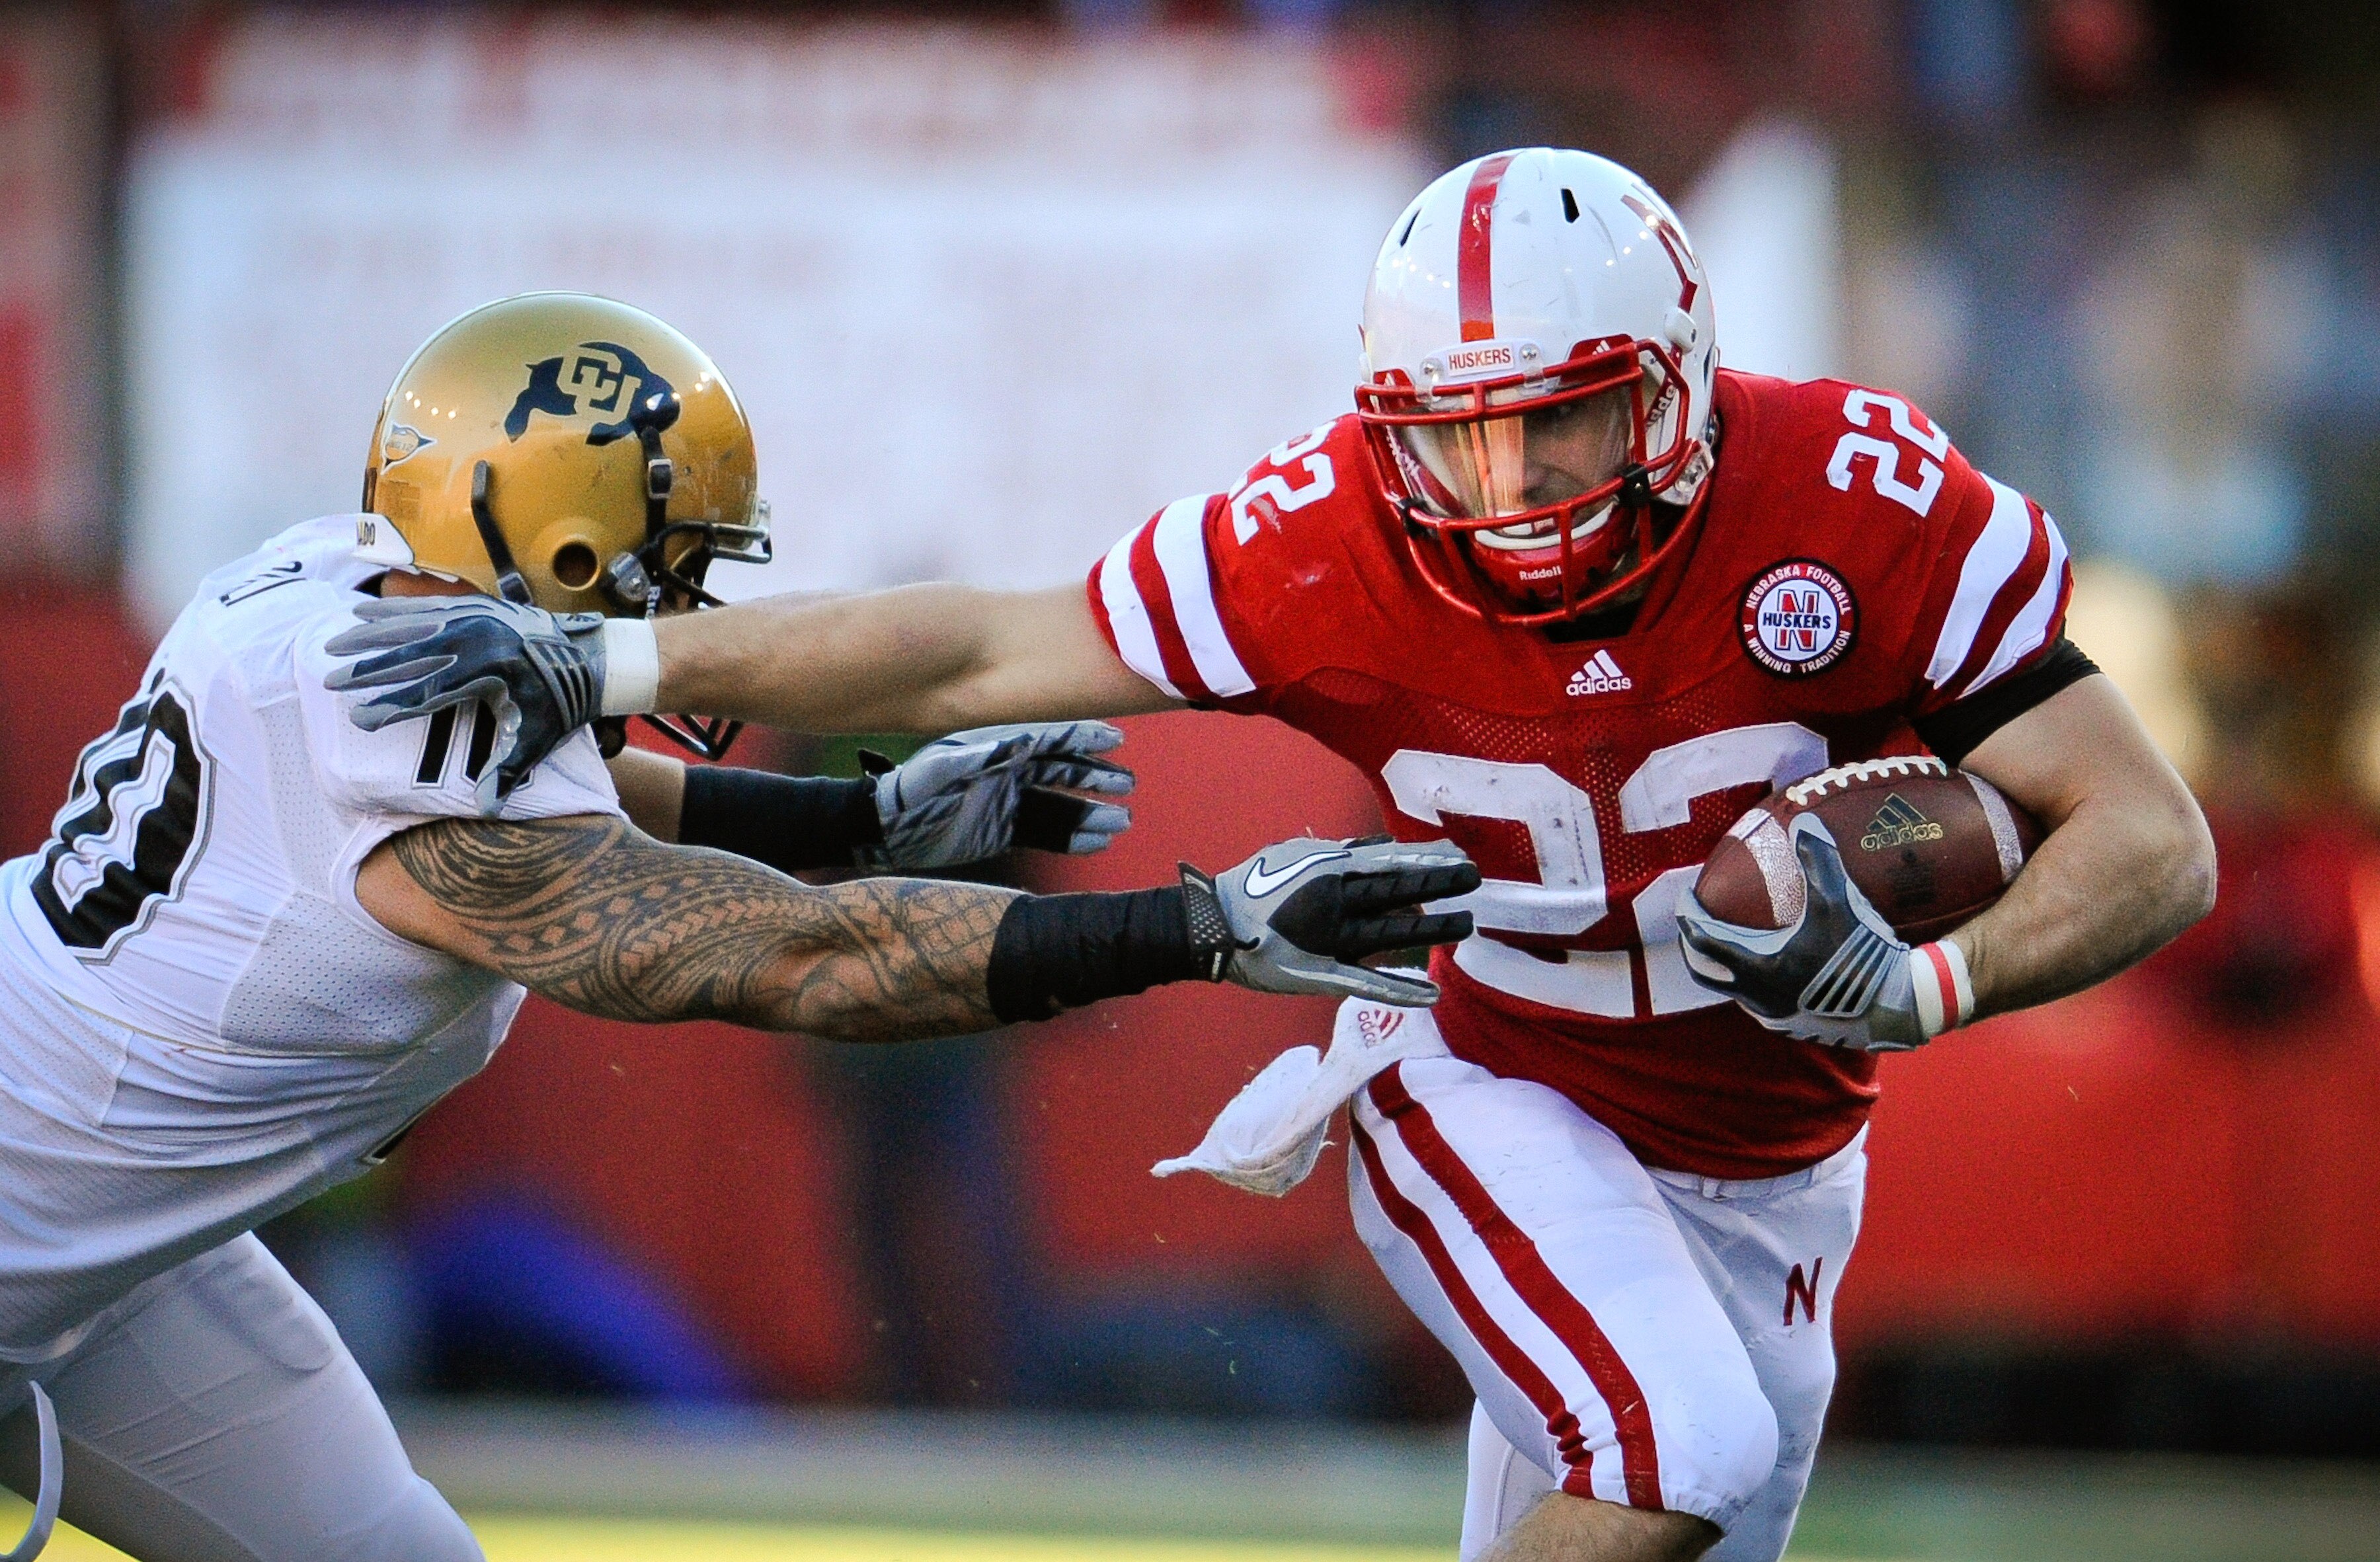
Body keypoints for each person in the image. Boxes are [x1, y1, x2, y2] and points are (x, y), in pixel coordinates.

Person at [328, 155, 2217, 1562]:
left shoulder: (1860, 498)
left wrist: (1920, 987)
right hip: (1496, 1073)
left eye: (1563, 419)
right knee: (1672, 1458)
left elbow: (2149, 834)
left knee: (1672, 1500)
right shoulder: (1324, 534)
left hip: (1781, 1153)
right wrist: (633, 657)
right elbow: (984, 642)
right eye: (1457, 440)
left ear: (1681, 380)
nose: (1513, 491)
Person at [0, 293, 1476, 1562]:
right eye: (661, 559)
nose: (688, 605)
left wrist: (866, 817)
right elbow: (804, 961)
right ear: (555, 555)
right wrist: (1200, 926)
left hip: (113, 1247)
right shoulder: (421, 756)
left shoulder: (338, 583)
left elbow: (585, 786)